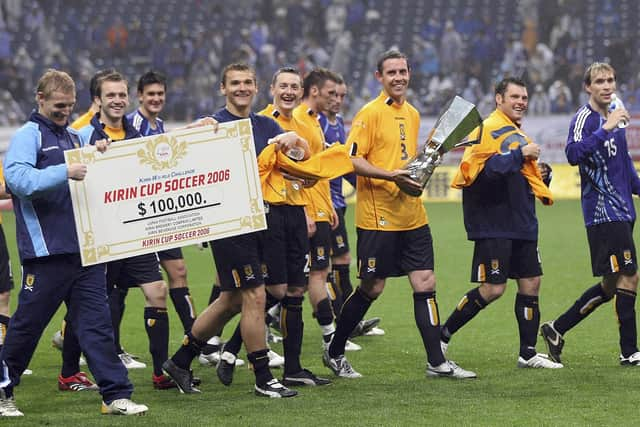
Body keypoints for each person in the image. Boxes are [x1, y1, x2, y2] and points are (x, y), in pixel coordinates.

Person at [0, 68, 147, 416]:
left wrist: (98, 154)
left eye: (69, 106)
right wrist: (64, 170)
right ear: (40, 99)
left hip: (86, 249)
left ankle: (115, 396)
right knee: (26, 328)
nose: (65, 112)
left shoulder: (74, 138)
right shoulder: (29, 135)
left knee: (97, 327)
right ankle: (3, 391)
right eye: (58, 106)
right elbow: (17, 179)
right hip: (46, 252)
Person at [322, 49, 475, 379]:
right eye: (391, 72)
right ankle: (334, 351)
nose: (398, 77)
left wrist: (425, 166)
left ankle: (437, 362)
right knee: (372, 288)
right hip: (379, 217)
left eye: (403, 71)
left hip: (413, 216)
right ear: (379, 77)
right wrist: (390, 175)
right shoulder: (369, 113)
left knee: (425, 282)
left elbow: (408, 161)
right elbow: (351, 160)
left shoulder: (415, 113)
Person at [162, 63, 305, 398]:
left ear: (256, 88)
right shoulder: (214, 125)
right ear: (222, 89)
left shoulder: (267, 125)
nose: (242, 88)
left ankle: (180, 361)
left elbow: (302, 156)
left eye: (248, 83)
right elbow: (171, 155)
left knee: (229, 300)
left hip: (262, 222)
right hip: (230, 225)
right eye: (235, 83)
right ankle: (263, 377)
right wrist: (193, 132)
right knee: (255, 295)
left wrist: (294, 139)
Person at [440, 76, 562, 371]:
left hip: (522, 222)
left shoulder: (515, 132)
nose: (521, 102)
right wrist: (521, 155)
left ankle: (528, 353)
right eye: (514, 97)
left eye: (524, 97)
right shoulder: (487, 129)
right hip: (494, 222)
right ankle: (441, 336)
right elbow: (479, 171)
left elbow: (514, 171)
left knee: (531, 283)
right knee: (493, 289)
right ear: (498, 99)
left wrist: (540, 174)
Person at [77, 70, 173, 388]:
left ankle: (161, 372)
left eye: (121, 95)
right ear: (97, 101)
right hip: (101, 234)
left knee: (157, 292)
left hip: (134, 232)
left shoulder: (135, 136)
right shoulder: (84, 135)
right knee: (95, 303)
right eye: (111, 95)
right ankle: (69, 371)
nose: (117, 100)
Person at [540, 62, 640, 366]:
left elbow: (623, 165)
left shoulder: (616, 115)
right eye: (600, 81)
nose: (607, 85)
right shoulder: (585, 119)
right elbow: (572, 154)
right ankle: (630, 351)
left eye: (610, 80)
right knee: (630, 276)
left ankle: (556, 328)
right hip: (603, 211)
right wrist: (606, 128)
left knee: (611, 286)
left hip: (622, 209)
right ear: (588, 87)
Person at [126, 71, 198, 336]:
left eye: (160, 94)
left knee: (179, 270)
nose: (156, 99)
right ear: (140, 96)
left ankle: (196, 337)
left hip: (161, 214)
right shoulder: (132, 124)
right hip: (139, 216)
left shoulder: (159, 125)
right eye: (151, 94)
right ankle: (71, 336)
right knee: (119, 285)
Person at [318, 78, 383, 338]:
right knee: (327, 266)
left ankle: (349, 322)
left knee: (335, 263)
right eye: (333, 94)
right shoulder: (317, 123)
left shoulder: (338, 125)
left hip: (337, 203)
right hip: (324, 206)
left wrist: (367, 185)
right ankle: (341, 324)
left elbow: (345, 165)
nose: (338, 100)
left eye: (342, 95)